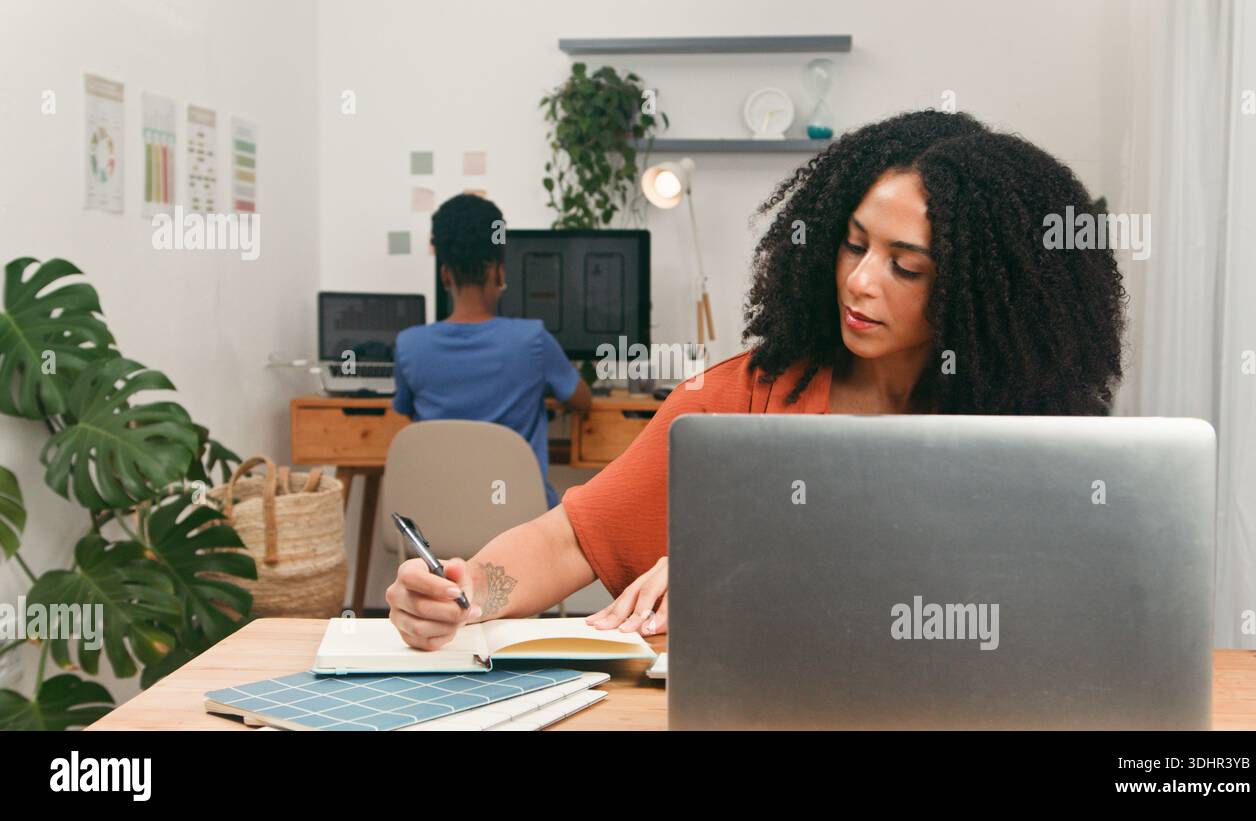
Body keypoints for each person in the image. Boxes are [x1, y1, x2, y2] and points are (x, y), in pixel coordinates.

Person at [386, 110, 1128, 647]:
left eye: (906, 266)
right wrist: (468, 592)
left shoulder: (1024, 430)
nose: (861, 281)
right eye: (852, 244)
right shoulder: (730, 399)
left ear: (977, 293)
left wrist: (735, 568)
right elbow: (565, 541)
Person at [393, 193, 592, 509]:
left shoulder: (409, 346)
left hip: (438, 522)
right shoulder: (532, 340)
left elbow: (405, 411)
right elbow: (582, 400)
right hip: (519, 524)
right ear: (499, 273)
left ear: (445, 274)